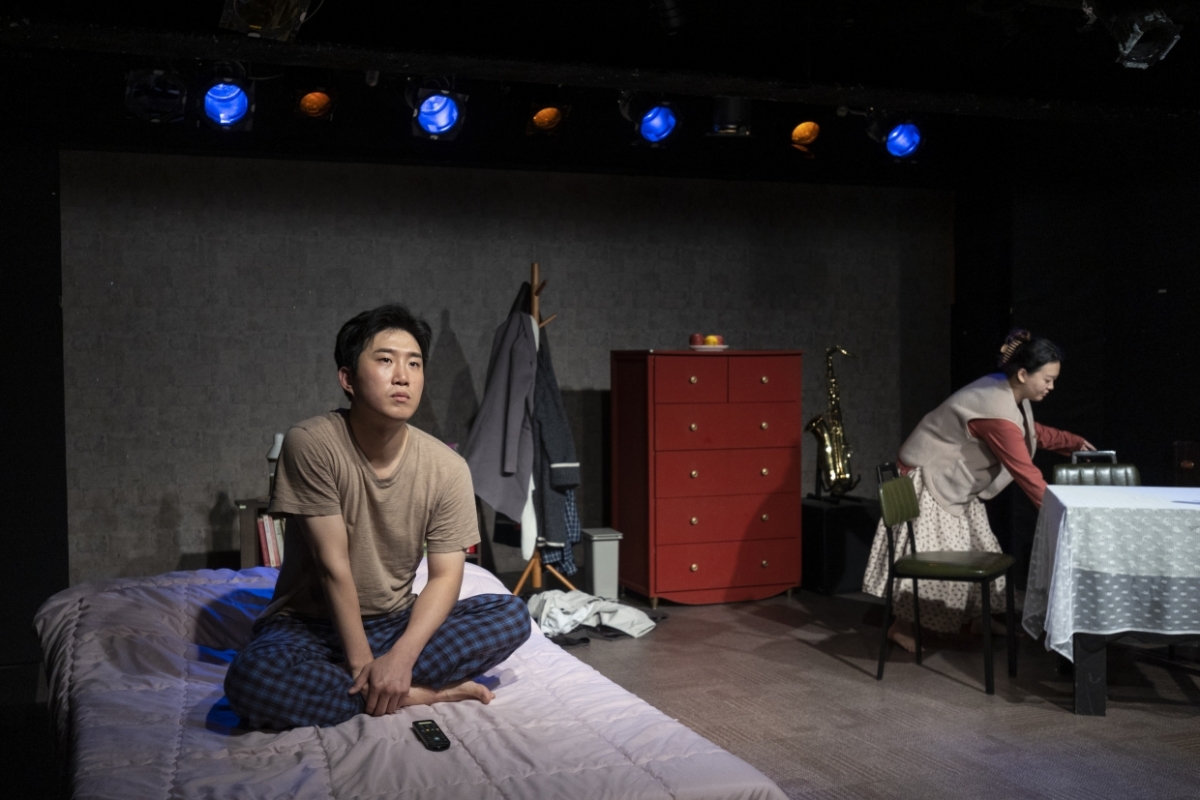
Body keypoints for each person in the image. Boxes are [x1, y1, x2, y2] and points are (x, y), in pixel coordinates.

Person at [225, 304, 532, 729]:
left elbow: (445, 577)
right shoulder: (311, 443)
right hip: (309, 626)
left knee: (512, 616)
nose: (403, 376)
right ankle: (417, 694)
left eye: (414, 363)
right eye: (385, 360)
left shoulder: (447, 468)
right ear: (348, 379)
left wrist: (401, 658)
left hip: (395, 623)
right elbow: (333, 567)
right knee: (251, 681)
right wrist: (362, 668)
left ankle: (363, 686)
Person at [862, 329, 1096, 653]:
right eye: (1047, 379)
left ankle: (977, 620)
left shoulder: (1008, 390)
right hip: (931, 480)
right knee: (939, 557)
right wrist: (1060, 514)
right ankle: (901, 627)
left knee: (981, 546)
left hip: (955, 481)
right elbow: (1025, 472)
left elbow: (1030, 433)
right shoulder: (995, 408)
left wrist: (1071, 443)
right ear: (1023, 374)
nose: (1051, 386)